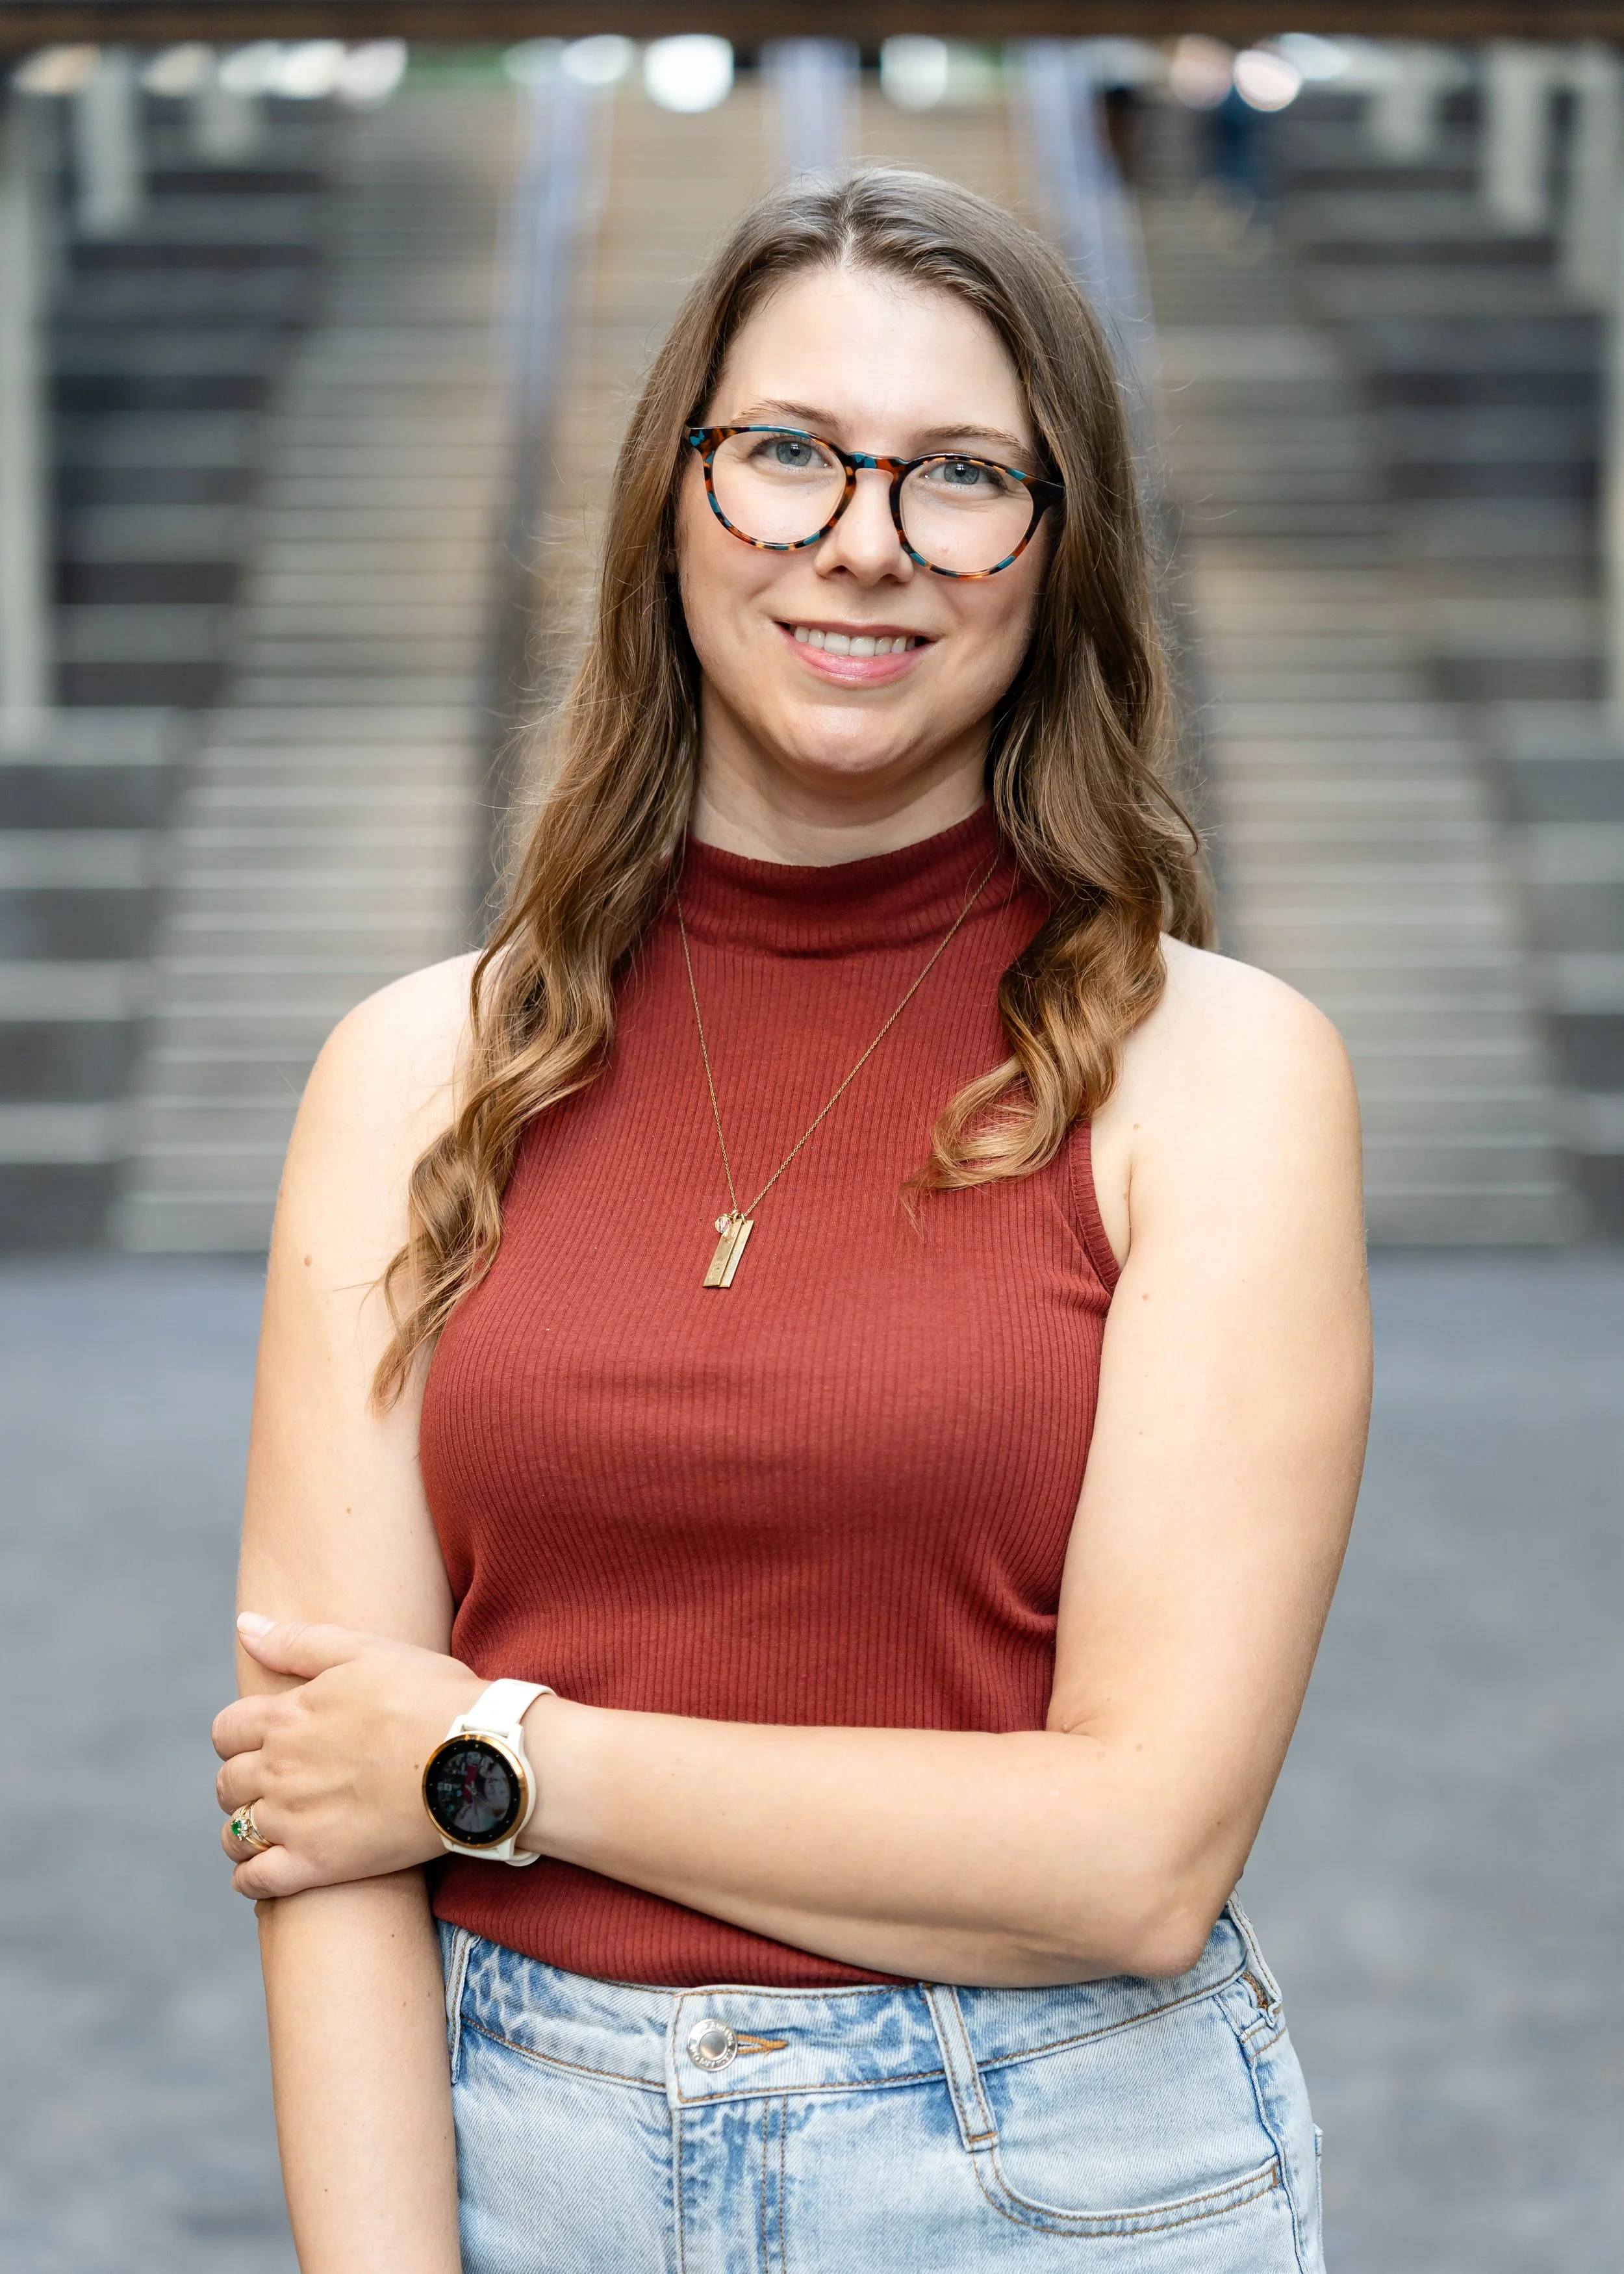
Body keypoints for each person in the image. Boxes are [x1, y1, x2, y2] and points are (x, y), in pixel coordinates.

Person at [210, 168, 1369, 2274]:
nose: (864, 537)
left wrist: (487, 1758)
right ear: (674, 498)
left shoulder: (1216, 1072)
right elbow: (321, 1811)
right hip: (506, 2159)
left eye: (961, 476)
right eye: (786, 454)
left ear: (1059, 548)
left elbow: (1127, 1857)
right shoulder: (411, 1073)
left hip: (1050, 2181)